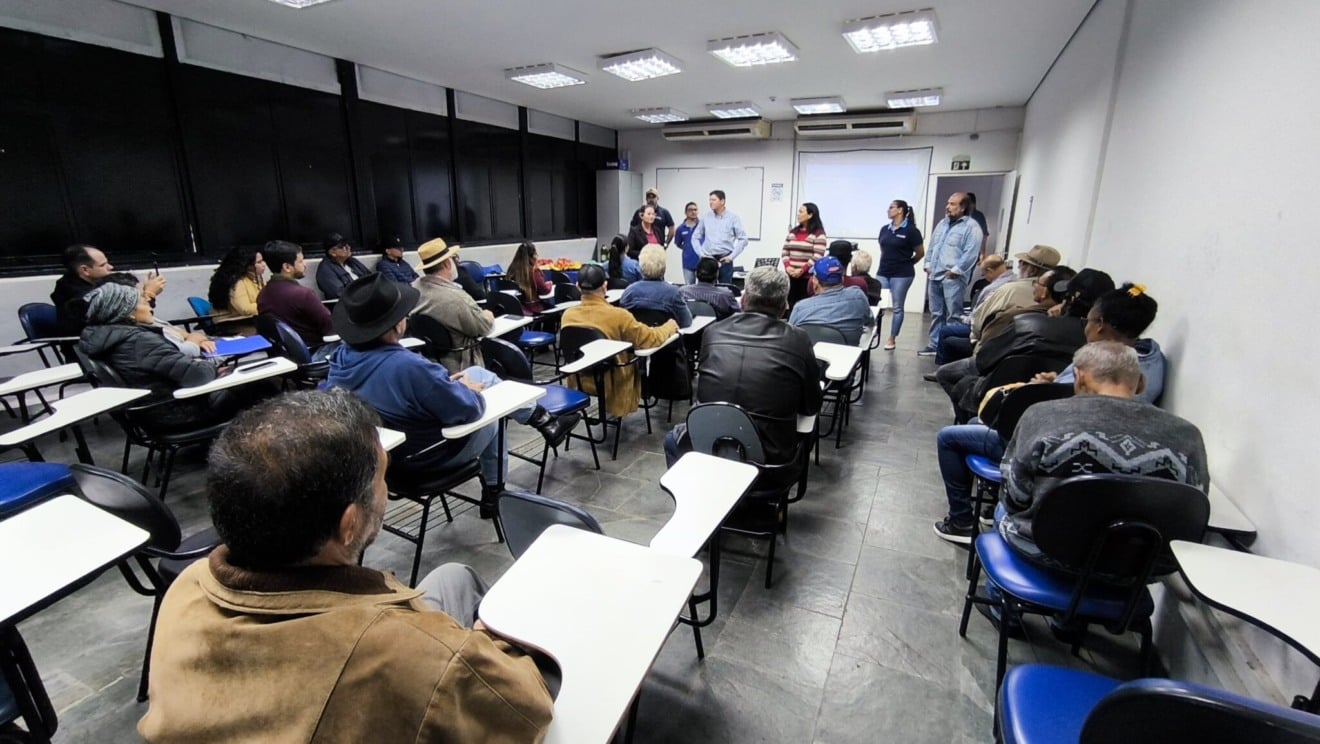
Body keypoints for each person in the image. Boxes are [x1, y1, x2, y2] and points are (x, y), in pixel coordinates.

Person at [137, 389, 553, 743]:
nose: (385, 490)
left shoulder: (188, 587)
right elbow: (528, 711)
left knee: (453, 578)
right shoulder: (415, 657)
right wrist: (484, 645)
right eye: (383, 477)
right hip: (423, 660)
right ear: (349, 524)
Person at [326, 275, 576, 518]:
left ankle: (543, 420)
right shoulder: (407, 367)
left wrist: (446, 384)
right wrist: (468, 390)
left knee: (478, 373)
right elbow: (469, 410)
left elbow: (400, 394)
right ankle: (495, 494)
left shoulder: (340, 361)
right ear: (397, 324)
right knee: (493, 414)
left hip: (388, 461)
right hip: (428, 458)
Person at [997, 341, 1209, 566]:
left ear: (1079, 378)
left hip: (1046, 553)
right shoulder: (1188, 435)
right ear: (1141, 383)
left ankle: (999, 584)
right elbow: (1193, 506)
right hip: (1139, 567)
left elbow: (1014, 498)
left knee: (1002, 511)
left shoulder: (1040, 415)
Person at [664, 266, 822, 468]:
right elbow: (811, 406)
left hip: (708, 446)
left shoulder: (712, 332)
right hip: (770, 461)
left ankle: (695, 487)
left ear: (744, 300)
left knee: (672, 440)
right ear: (784, 306)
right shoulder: (798, 340)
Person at [78, 282, 274, 432]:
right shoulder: (139, 341)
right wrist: (208, 366)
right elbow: (197, 376)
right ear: (128, 314)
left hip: (153, 411)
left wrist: (200, 364)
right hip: (177, 413)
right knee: (262, 386)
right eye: (143, 302)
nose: (149, 306)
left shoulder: (109, 337)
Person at [560, 264, 677, 419]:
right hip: (613, 381)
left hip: (580, 379)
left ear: (577, 287)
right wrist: (669, 326)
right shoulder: (619, 316)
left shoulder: (567, 315)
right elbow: (650, 339)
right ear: (605, 286)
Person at [1034, 283, 1166, 404]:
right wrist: (1055, 382)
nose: (1086, 328)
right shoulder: (1151, 358)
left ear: (1100, 324)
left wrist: (1040, 390)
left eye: (1087, 320)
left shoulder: (1108, 368)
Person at [411, 238, 494, 372]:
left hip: (429, 363)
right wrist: (488, 315)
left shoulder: (414, 289)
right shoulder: (456, 298)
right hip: (461, 366)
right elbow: (483, 327)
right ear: (447, 264)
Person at [52, 244, 165, 336]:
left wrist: (143, 292)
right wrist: (148, 294)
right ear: (85, 270)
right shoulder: (82, 297)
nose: (110, 267)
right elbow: (130, 315)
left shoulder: (93, 285)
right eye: (103, 265)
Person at [921, 192, 984, 355]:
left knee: (953, 315)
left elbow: (971, 253)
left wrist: (955, 271)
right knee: (936, 314)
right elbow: (933, 245)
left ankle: (949, 348)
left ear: (963, 207)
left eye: (953, 204)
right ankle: (934, 345)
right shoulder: (942, 224)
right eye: (948, 203)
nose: (948, 207)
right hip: (935, 275)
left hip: (953, 278)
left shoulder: (972, 227)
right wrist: (927, 264)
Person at [99, 273, 216, 358]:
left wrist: (197, 341)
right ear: (126, 308)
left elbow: (182, 334)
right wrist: (194, 341)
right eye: (142, 296)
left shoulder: (145, 321)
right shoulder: (141, 335)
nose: (148, 299)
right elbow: (184, 355)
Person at [928, 254, 1013, 365]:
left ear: (990, 271)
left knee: (944, 331)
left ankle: (942, 368)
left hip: (985, 328)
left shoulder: (991, 289)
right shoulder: (1014, 280)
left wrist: (966, 319)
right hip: (1002, 326)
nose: (984, 277)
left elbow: (979, 314)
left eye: (984, 273)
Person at [257, 239, 334, 348]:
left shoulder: (262, 295)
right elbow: (330, 327)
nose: (305, 264)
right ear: (287, 267)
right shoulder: (303, 295)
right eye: (301, 261)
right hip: (317, 350)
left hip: (286, 353)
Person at [787, 256, 875, 346]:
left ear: (815, 282)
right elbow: (870, 322)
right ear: (842, 279)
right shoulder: (858, 297)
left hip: (809, 354)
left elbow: (789, 339)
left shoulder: (799, 308)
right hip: (847, 354)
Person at [876, 199, 926, 351]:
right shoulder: (884, 229)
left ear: (900, 210)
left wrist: (908, 263)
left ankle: (892, 338)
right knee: (878, 304)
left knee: (897, 307)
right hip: (883, 272)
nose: (888, 210)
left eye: (891, 207)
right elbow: (883, 248)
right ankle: (874, 333)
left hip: (902, 274)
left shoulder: (911, 231)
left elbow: (920, 253)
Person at [620, 245, 692, 328]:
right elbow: (686, 322)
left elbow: (623, 322)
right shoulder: (674, 293)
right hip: (667, 335)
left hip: (637, 335)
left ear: (641, 266)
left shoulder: (628, 292)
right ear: (664, 267)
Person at [691, 189, 748, 285]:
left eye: (713, 200)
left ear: (722, 201)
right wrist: (701, 254)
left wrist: (731, 257)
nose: (710, 202)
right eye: (710, 200)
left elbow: (743, 239)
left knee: (725, 288)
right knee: (705, 288)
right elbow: (695, 237)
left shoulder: (733, 218)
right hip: (708, 259)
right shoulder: (706, 217)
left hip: (724, 260)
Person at [781, 202, 827, 307]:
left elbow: (817, 256)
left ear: (810, 215)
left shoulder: (818, 234)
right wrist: (788, 267)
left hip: (807, 278)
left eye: (801, 212)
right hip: (791, 276)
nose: (798, 214)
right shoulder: (793, 232)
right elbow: (785, 251)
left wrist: (802, 270)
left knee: (805, 305)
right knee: (790, 305)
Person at [206, 245, 266, 320]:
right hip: (230, 322)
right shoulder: (236, 282)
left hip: (247, 319)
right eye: (259, 262)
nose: (264, 264)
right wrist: (270, 305)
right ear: (247, 265)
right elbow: (245, 309)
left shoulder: (256, 278)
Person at [315, 232, 372, 300]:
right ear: (332, 252)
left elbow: (371, 277)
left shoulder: (352, 261)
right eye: (343, 247)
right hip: (350, 304)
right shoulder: (325, 270)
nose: (348, 248)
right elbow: (339, 293)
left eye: (348, 245)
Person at [507, 240, 553, 314]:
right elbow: (544, 291)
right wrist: (550, 284)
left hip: (516, 309)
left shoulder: (511, 269)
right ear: (533, 256)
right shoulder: (534, 271)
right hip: (534, 308)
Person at [674, 201, 701, 284]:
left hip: (702, 262)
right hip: (688, 263)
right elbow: (677, 243)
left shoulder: (703, 226)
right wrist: (687, 248)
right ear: (685, 212)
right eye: (690, 210)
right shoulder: (680, 228)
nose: (693, 212)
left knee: (704, 287)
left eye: (695, 210)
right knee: (689, 287)